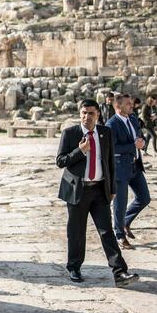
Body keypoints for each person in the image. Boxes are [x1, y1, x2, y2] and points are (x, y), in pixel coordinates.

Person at [55, 99, 139, 287]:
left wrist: (112, 189)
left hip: (100, 190)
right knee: (76, 232)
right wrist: (80, 151)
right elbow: (60, 161)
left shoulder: (105, 133)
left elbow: (110, 163)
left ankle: (120, 272)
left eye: (91, 113)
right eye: (83, 113)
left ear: (98, 115)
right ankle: (74, 267)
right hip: (78, 190)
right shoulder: (70, 133)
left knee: (106, 231)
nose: (86, 117)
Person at [106, 94, 150, 250]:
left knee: (144, 198)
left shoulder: (132, 118)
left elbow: (140, 137)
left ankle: (125, 222)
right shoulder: (111, 125)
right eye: (128, 104)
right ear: (118, 106)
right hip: (120, 169)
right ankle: (119, 235)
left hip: (135, 166)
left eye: (131, 103)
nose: (132, 106)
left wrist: (142, 143)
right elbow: (112, 149)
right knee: (120, 204)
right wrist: (134, 146)